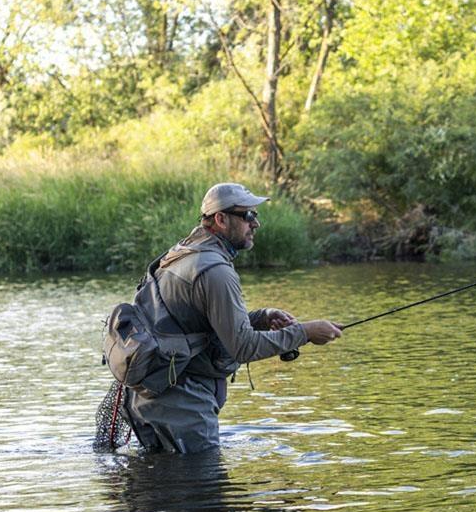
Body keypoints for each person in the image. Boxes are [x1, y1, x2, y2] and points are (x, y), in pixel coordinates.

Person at [124, 182, 341, 453]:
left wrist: (261, 318)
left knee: (158, 477)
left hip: (147, 397)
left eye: (255, 215)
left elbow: (191, 326)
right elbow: (243, 347)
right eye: (248, 216)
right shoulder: (215, 270)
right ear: (221, 219)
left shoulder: (181, 253)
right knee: (202, 479)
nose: (256, 224)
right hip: (183, 405)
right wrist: (305, 333)